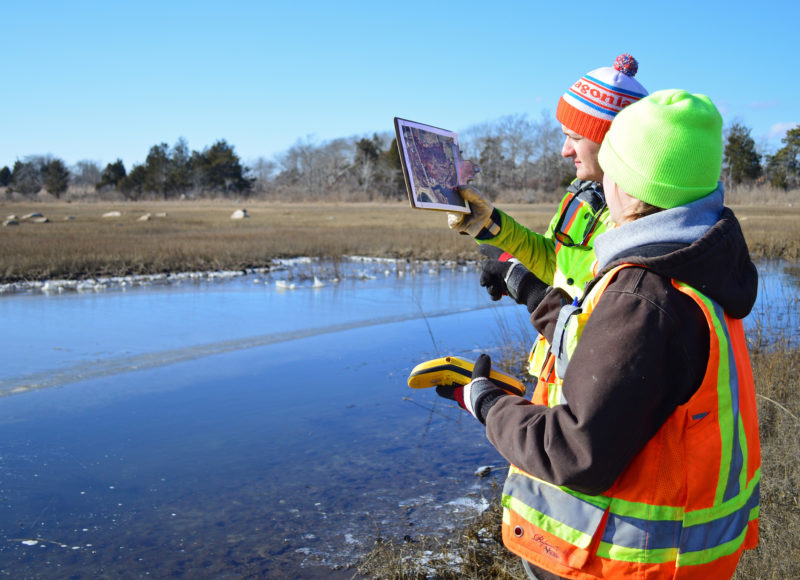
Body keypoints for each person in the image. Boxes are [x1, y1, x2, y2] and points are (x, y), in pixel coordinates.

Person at [438, 90, 761, 579]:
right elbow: (605, 350)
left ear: (632, 187)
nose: (576, 160)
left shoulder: (646, 294)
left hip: (625, 562)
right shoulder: (701, 260)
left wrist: (486, 404)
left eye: (611, 167)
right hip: (680, 555)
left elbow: (574, 450)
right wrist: (525, 283)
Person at [449, 54, 648, 375]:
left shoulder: (641, 222)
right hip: (555, 370)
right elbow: (551, 261)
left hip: (589, 384)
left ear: (611, 142)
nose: (565, 150)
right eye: (565, 135)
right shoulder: (581, 195)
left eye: (576, 138)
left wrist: (530, 291)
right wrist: (489, 225)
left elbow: (612, 341)